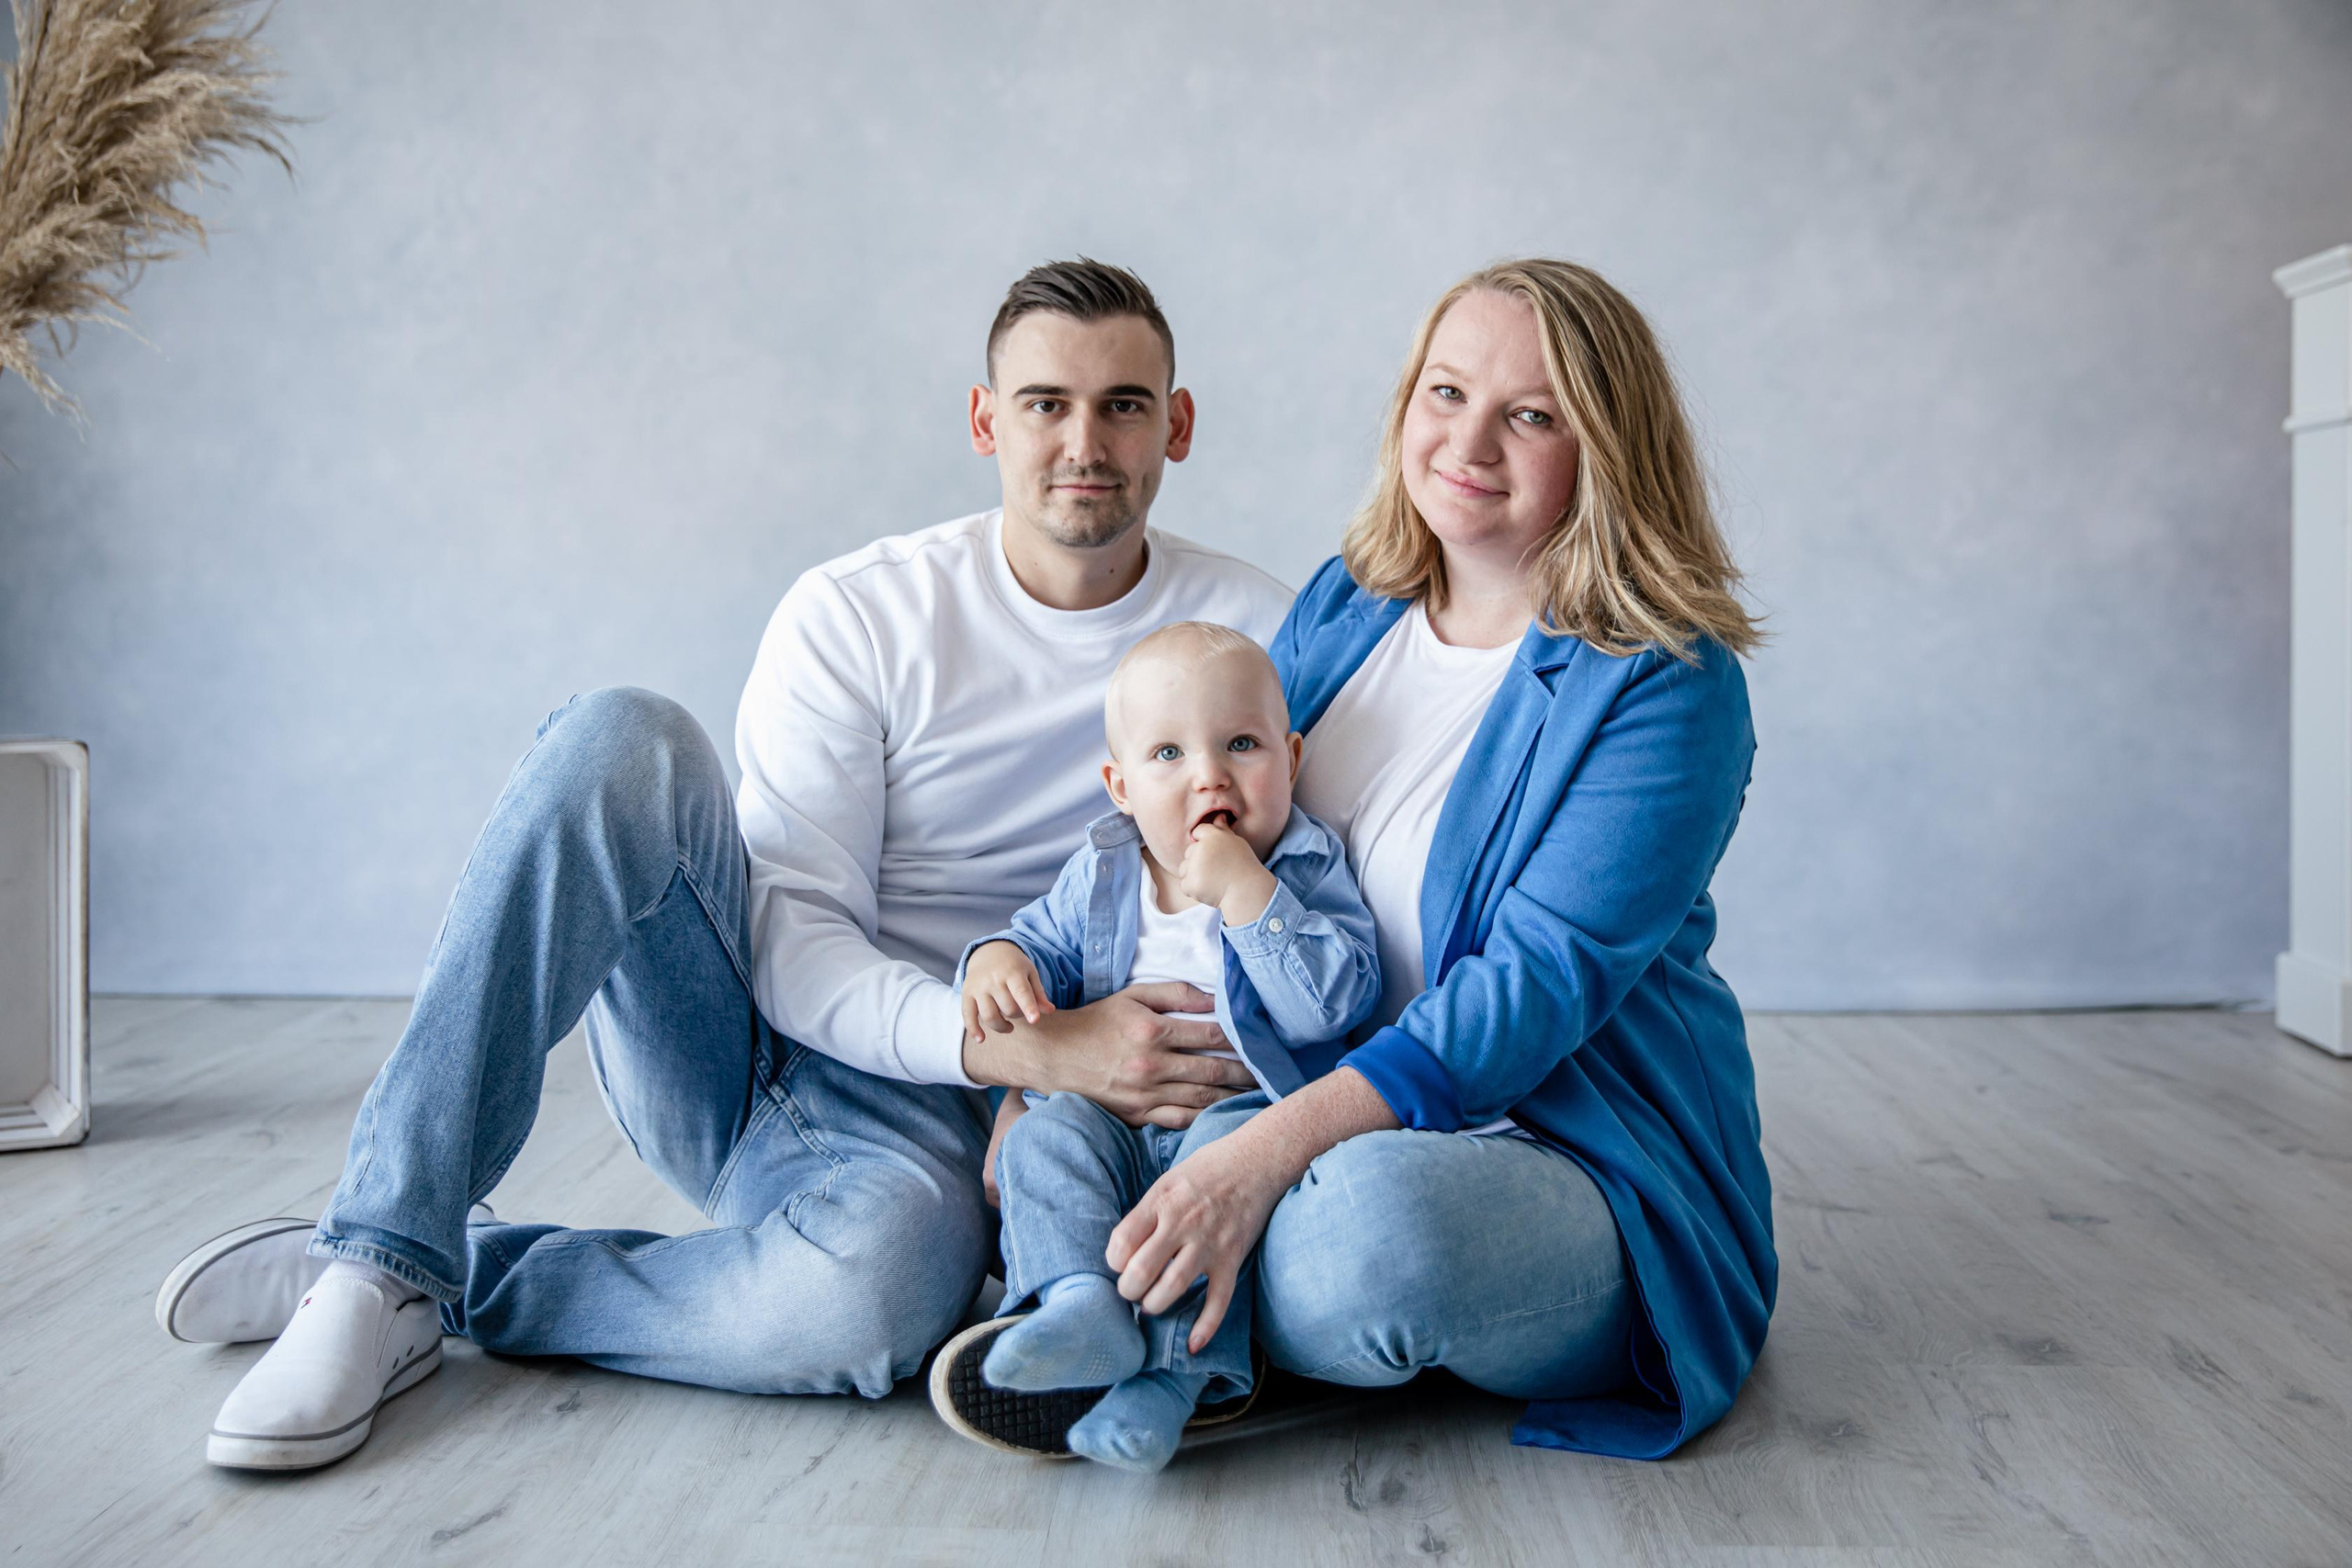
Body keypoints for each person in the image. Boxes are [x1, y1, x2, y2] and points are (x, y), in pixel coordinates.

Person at [157, 259, 1291, 1472]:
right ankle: (380, 1246)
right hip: (795, 1072)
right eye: (1043, 403)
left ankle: (464, 1279)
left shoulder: (1260, 631)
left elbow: (1316, 892)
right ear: (983, 419)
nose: (1084, 439)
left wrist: (1074, 1084)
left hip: (1103, 1106)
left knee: (862, 1307)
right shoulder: (862, 612)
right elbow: (796, 939)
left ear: (1175, 422)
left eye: (1123, 403)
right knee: (621, 738)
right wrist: (1023, 1048)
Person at [1061, 258, 1774, 1461]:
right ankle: (1148, 1298)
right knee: (1071, 1144)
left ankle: (1121, 1298)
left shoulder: (1666, 681)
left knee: (1366, 1247)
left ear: (1608, 444)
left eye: (1532, 415)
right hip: (1302, 1105)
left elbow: (1530, 990)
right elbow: (1214, 846)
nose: (1470, 442)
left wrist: (1252, 1159)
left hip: (1553, 1146)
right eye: (1446, 392)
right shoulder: (1351, 601)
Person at [930, 621, 1378, 1472]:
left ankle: (1171, 1384)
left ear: (1290, 757)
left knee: (1214, 1179)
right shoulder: (1101, 872)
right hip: (1109, 1117)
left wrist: (1251, 895)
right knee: (1043, 1136)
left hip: (1238, 1120)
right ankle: (1075, 1304)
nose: (1209, 774)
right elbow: (1037, 952)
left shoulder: (1306, 867)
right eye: (1167, 754)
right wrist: (995, 957)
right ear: (1121, 785)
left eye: (1241, 744)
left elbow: (1331, 1005)